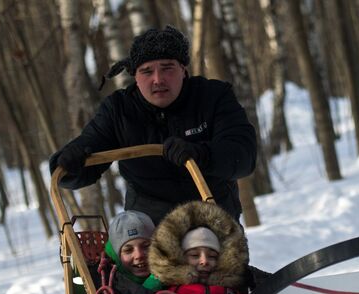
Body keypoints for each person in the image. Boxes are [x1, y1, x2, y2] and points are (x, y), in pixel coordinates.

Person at [49, 25, 257, 224]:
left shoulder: (213, 96)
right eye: (147, 71)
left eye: (167, 68)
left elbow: (243, 155)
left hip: (212, 218)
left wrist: (201, 154)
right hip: (148, 227)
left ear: (183, 70)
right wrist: (68, 162)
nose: (158, 79)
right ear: (135, 77)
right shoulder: (118, 110)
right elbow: (89, 148)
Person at [148, 200, 251, 294]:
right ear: (180, 258)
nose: (204, 261)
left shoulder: (232, 292)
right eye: (195, 255)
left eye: (212, 256)